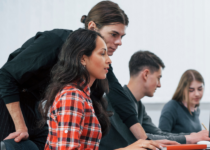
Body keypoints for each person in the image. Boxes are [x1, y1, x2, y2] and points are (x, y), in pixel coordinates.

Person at [0, 1, 148, 149]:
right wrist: (20, 127)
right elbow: (5, 76)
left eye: (122, 36)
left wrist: (145, 140)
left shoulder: (90, 74)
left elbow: (117, 94)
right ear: (92, 27)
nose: (119, 42)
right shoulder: (55, 42)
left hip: (33, 106)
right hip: (8, 102)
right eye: (114, 34)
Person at [40, 29, 161, 150]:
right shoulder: (72, 96)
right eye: (102, 54)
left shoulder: (83, 96)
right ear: (83, 59)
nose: (109, 60)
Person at [100, 51, 210, 150]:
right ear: (146, 74)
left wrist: (192, 136)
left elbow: (159, 134)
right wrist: (190, 138)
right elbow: (139, 139)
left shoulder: (138, 105)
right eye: (158, 78)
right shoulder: (117, 101)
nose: (159, 85)